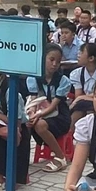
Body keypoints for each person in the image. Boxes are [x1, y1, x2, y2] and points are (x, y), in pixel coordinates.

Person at [28, 43, 72, 172]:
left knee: (40, 125)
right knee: (25, 124)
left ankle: (60, 157)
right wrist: (31, 114)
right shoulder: (33, 78)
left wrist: (38, 116)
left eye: (58, 61)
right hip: (40, 111)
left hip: (59, 116)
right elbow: (33, 100)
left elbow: (54, 106)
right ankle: (21, 159)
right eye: (51, 60)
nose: (54, 64)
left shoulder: (63, 80)